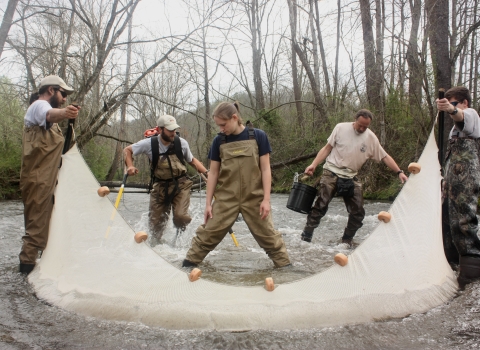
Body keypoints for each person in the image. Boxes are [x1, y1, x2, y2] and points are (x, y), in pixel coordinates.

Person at [182, 102, 291, 268]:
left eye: (223, 124)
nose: (221, 129)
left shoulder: (258, 136)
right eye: (218, 125)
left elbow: (266, 169)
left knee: (269, 237)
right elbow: (213, 173)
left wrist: (266, 199)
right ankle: (187, 267)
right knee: (207, 234)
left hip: (254, 198)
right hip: (226, 199)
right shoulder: (219, 141)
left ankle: (286, 270)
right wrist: (208, 204)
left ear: (234, 118)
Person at [300, 109, 408, 244]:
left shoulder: (371, 137)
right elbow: (327, 148)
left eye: (365, 126)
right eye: (360, 125)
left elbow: (385, 157)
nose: (362, 128)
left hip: (351, 176)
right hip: (331, 172)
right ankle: (306, 236)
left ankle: (346, 241)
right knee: (321, 205)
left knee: (358, 212)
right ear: (355, 120)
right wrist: (313, 165)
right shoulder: (340, 128)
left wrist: (399, 172)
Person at [19, 75, 80, 274]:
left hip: (48, 179)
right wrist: (64, 112)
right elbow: (50, 114)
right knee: (36, 230)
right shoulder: (39, 105)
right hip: (37, 179)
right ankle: (26, 272)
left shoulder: (49, 120)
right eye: (63, 94)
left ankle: (42, 269)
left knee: (49, 228)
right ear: (51, 90)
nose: (64, 99)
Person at [124, 115, 207, 243]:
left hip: (181, 185)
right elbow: (127, 150)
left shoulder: (182, 143)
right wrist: (130, 166)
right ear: (160, 129)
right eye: (170, 130)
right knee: (155, 226)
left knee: (181, 217)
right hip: (160, 187)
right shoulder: (148, 144)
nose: (173, 133)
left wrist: (207, 174)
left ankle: (179, 240)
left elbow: (192, 161)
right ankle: (157, 247)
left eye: (174, 129)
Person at [436, 86, 480, 287]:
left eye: (454, 103)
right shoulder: (454, 130)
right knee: (447, 218)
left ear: (464, 103)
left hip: (466, 178)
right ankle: (452, 265)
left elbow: (462, 118)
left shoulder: (471, 115)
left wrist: (452, 110)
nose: (451, 107)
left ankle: (471, 271)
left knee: (463, 218)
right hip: (452, 179)